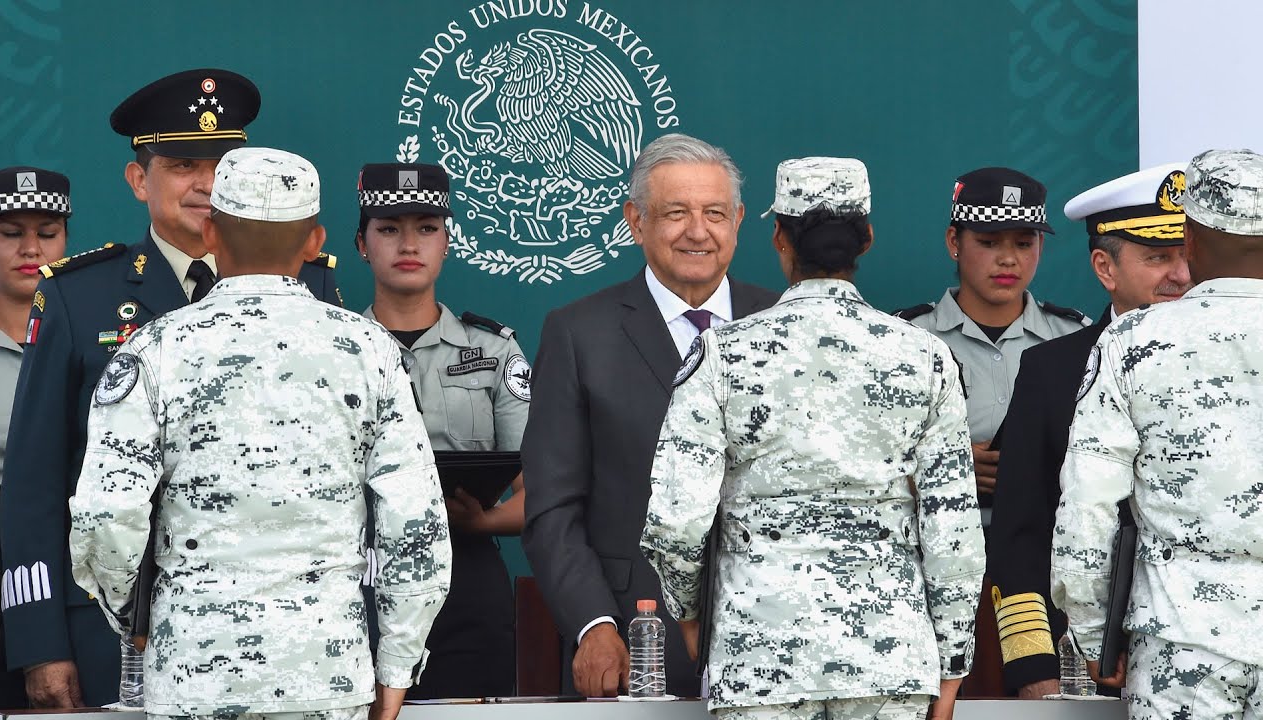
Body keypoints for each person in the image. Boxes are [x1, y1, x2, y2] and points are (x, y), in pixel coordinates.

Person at [0, 68, 342, 709]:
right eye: (184, 165)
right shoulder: (77, 296)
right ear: (139, 179)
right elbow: (34, 480)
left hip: (287, 625)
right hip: (119, 627)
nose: (207, 184)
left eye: (222, 165)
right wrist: (41, 643)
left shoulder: (310, 284)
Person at [67, 146, 450, 720]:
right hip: (327, 675)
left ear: (211, 233)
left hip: (194, 674)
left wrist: (134, 618)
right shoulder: (368, 350)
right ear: (315, 242)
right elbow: (415, 522)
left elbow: (105, 513)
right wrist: (396, 667)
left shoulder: (154, 348)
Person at [641, 157, 985, 720]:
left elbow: (676, 520)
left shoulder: (722, 355)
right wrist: (951, 665)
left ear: (779, 237)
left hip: (760, 656)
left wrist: (691, 616)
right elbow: (954, 533)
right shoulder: (924, 356)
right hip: (889, 662)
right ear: (866, 238)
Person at [521, 132, 778, 698]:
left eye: (715, 213)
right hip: (634, 641)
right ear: (636, 222)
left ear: (738, 222)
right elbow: (552, 508)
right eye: (676, 213)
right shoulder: (578, 333)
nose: (698, 231)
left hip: (777, 638)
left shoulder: (783, 324)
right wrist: (593, 624)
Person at [1052, 148, 1263, 719]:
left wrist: (1095, 636)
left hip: (1181, 644)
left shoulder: (1133, 341)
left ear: (1189, 240)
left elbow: (1088, 507)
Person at [987, 164, 1190, 699]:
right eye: (1158, 257)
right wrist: (1033, 665)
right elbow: (1021, 531)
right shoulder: (1051, 370)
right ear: (1105, 267)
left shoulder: (1236, 361)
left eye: (1188, 255)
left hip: (1212, 651)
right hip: (1086, 657)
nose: (1180, 275)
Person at [355, 161, 528, 698]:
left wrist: (482, 521)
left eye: (427, 228)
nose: (409, 244)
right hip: (356, 580)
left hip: (466, 576)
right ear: (361, 244)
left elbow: (542, 491)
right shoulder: (337, 352)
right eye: (389, 228)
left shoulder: (494, 350)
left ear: (447, 242)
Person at [895, 167, 1088, 507]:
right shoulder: (905, 339)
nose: (1008, 259)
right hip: (938, 534)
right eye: (988, 242)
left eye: (1024, 243)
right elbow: (866, 458)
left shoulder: (1076, 337)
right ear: (954, 242)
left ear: (1041, 246)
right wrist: (942, 465)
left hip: (1048, 535)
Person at [0, 167, 71, 709]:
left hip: (74, 571)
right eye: (11, 233)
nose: (31, 248)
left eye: (48, 232)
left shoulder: (103, 341)